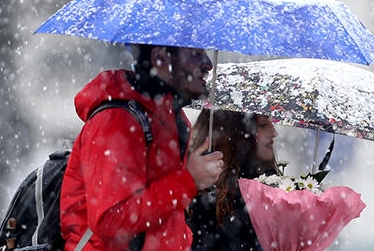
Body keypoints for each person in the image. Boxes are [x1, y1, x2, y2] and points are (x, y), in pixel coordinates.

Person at [60, 45, 224, 251]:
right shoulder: (116, 121)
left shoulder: (171, 117)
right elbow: (110, 221)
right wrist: (188, 181)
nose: (208, 64)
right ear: (161, 57)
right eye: (196, 54)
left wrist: (196, 184)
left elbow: (159, 211)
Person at [186, 109, 281, 251]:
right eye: (263, 125)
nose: (274, 133)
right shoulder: (203, 191)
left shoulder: (268, 182)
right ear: (237, 131)